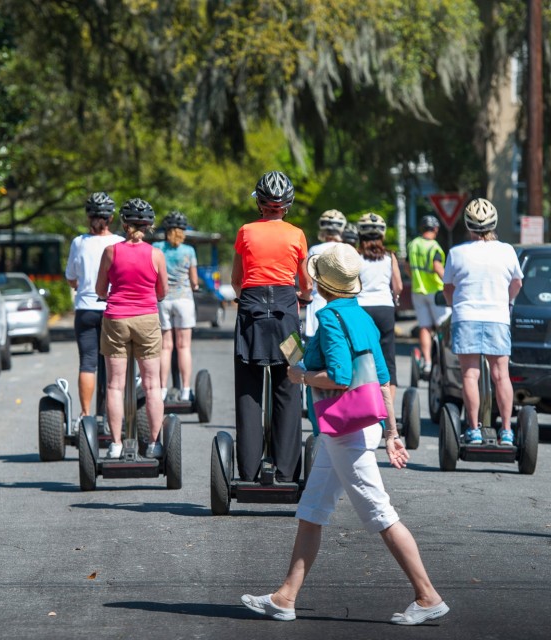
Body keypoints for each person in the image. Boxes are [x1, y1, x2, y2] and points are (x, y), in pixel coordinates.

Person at [241, 243, 449, 625]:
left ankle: (427, 594)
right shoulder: (361, 315)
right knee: (312, 510)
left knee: (380, 513)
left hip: (344, 431)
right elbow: (382, 378)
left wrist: (301, 375)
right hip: (359, 427)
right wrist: (392, 431)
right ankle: (285, 597)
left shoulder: (332, 317)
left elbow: (339, 376)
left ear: (322, 284)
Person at [231, 170, 312, 483]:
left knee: (249, 390)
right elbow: (304, 284)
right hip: (287, 317)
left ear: (260, 203)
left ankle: (249, 469)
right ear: (286, 204)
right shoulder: (296, 234)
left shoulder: (246, 232)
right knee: (289, 385)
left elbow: (237, 281)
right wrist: (300, 296)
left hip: (251, 312)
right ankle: (287, 468)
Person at [443, 198, 523, 445]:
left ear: (468, 225)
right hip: (497, 318)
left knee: (470, 375)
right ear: (494, 223)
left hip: (466, 317)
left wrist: (452, 304)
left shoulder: (456, 253)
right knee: (501, 375)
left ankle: (474, 429)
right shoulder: (507, 250)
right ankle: (507, 431)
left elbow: (448, 289)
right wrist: (506, 303)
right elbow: (517, 283)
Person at [96, 198, 168, 459]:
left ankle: (115, 445)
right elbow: (163, 291)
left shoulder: (111, 252)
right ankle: (153, 443)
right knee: (152, 384)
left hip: (116, 318)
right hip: (147, 319)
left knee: (115, 385)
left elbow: (100, 289)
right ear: (149, 226)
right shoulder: (156, 254)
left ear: (124, 224)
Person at [65, 192, 123, 421]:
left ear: (88, 216)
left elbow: (71, 277)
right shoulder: (119, 243)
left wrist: (79, 283)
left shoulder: (78, 243)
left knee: (88, 362)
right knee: (112, 366)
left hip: (86, 308)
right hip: (112, 309)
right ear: (111, 218)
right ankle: (113, 416)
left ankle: (86, 414)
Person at [153, 210, 199, 402]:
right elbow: (194, 280)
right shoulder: (189, 251)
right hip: (184, 300)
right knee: (184, 346)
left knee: (166, 347)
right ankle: (186, 389)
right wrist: (195, 285)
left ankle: (162, 389)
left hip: (163, 300)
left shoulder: (157, 247)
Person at [356, 212, 403, 401]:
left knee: (361, 356)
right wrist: (395, 298)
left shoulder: (356, 257)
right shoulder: (389, 257)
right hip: (385, 308)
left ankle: (364, 403)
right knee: (387, 359)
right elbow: (398, 285)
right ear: (382, 235)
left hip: (361, 308)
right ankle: (387, 410)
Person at [406, 214, 450, 376]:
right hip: (436, 293)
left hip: (418, 291)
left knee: (424, 326)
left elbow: (407, 266)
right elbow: (437, 267)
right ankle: (444, 359)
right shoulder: (434, 247)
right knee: (442, 326)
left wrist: (416, 279)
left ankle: (428, 363)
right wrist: (450, 282)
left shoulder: (413, 244)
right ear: (436, 229)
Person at [304, 209, 347, 338]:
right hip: (341, 302)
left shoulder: (314, 249)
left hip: (318, 300)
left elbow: (308, 279)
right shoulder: (346, 249)